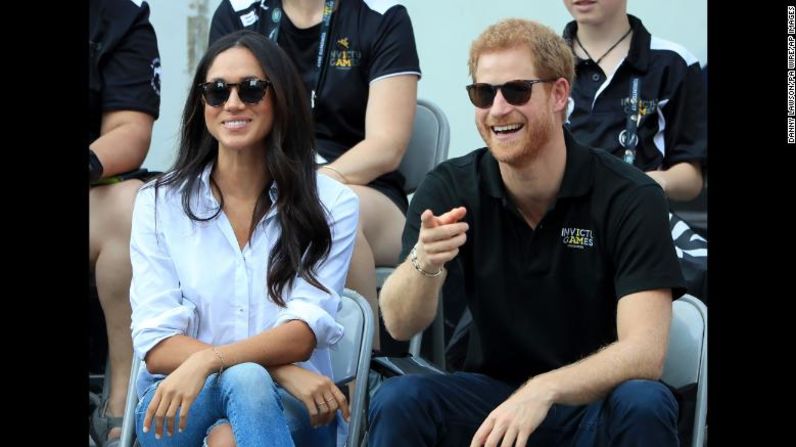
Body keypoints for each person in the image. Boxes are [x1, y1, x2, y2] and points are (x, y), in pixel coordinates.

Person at [369, 18, 686, 447]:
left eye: (516, 90)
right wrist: (423, 264)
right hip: (491, 403)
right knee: (400, 398)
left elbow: (645, 352)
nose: (498, 109)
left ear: (559, 94)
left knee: (646, 401)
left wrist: (543, 388)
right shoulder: (451, 186)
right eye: (484, 93)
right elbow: (400, 323)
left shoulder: (630, 196)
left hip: (593, 405)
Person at [130, 30, 358, 447]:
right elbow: (157, 342)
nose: (232, 103)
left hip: (294, 407)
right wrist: (279, 367)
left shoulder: (332, 203)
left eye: (252, 89)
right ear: (202, 104)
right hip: (177, 403)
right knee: (248, 379)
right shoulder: (158, 203)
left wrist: (215, 361)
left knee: (231, 429)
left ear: (281, 97)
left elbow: (303, 331)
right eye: (216, 91)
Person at [209, 0, 421, 348]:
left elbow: (387, 145)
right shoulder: (238, 11)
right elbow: (219, 112)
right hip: (259, 181)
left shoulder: (381, 14)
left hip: (360, 186)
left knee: (331, 211)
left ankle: (361, 382)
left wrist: (306, 185)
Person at [89, 0, 160, 445]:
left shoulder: (120, 16)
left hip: (93, 193)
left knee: (131, 204)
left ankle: (120, 398)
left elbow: (130, 131)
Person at [561, 0, 707, 202]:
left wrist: (648, 183)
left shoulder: (674, 62)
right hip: (558, 221)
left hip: (637, 217)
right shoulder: (541, 63)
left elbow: (692, 178)